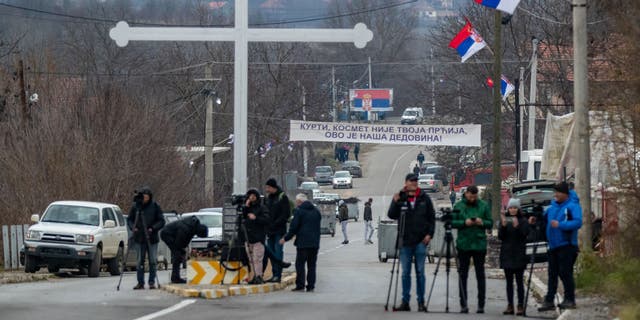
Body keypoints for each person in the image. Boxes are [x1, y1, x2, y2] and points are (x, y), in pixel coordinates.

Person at [387, 173, 436, 312]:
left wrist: (429, 235)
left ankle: (421, 302)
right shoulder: (401, 197)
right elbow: (391, 215)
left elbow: (431, 218)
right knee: (405, 273)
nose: (414, 183)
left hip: (421, 241)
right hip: (405, 241)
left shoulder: (424, 198)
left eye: (416, 181)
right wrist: (395, 201)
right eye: (411, 181)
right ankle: (405, 302)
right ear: (406, 182)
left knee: (420, 272)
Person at [533, 182, 582, 311]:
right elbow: (544, 219)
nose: (555, 195)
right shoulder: (552, 207)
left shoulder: (572, 206)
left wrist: (560, 225)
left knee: (565, 273)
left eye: (558, 192)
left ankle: (570, 299)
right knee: (552, 273)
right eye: (555, 192)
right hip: (553, 245)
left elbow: (578, 222)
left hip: (567, 245)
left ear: (565, 194)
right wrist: (536, 218)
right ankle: (549, 300)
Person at [452, 185, 493, 313]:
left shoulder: (483, 205)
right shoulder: (458, 206)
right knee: (463, 274)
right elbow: (452, 222)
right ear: (466, 194)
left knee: (480, 275)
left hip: (479, 243)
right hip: (464, 244)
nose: (472, 199)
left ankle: (481, 304)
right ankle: (463, 303)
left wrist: (482, 222)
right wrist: (464, 223)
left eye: (474, 197)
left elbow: (490, 222)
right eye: (470, 196)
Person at [280, 193, 321, 292]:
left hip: (303, 243)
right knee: (312, 265)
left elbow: (293, 228)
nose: (296, 203)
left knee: (300, 264)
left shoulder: (299, 212)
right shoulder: (316, 211)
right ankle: (311, 286)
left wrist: (285, 238)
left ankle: (300, 285)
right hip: (314, 243)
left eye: (297, 202)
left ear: (299, 202)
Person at [127, 187, 166, 290]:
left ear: (150, 197)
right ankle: (140, 282)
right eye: (143, 197)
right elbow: (130, 219)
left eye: (146, 197)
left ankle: (151, 281)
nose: (144, 199)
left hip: (151, 237)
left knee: (152, 260)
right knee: (140, 261)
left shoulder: (155, 206)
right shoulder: (136, 207)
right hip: (139, 237)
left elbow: (161, 221)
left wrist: (153, 228)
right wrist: (133, 227)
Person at [499, 198, 529, 316]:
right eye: (511, 207)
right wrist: (504, 226)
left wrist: (517, 227)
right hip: (507, 254)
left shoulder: (523, 221)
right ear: (508, 209)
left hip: (519, 254)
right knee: (509, 282)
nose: (512, 210)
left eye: (515, 207)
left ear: (518, 209)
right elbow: (501, 237)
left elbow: (525, 235)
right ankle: (510, 305)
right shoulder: (505, 220)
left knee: (519, 282)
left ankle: (520, 305)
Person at [160, 216, 208, 284]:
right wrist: (181, 250)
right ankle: (175, 278)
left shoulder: (193, 226)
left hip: (173, 234)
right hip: (166, 234)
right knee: (177, 255)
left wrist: (182, 250)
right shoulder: (186, 228)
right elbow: (178, 243)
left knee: (179, 254)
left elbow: (185, 241)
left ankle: (175, 277)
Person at [263, 178, 291, 283]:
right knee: (271, 253)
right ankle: (274, 274)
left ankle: (278, 275)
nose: (267, 189)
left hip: (279, 230)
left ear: (273, 187)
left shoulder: (282, 197)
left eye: (268, 187)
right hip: (269, 231)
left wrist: (275, 224)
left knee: (277, 252)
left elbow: (286, 214)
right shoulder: (268, 198)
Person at [241, 188, 270, 285]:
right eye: (250, 196)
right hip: (248, 238)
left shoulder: (262, 208)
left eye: (254, 196)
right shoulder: (247, 208)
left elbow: (266, 220)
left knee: (257, 258)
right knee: (251, 259)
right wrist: (246, 206)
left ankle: (258, 276)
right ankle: (254, 275)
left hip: (258, 237)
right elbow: (243, 217)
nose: (252, 198)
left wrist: (256, 218)